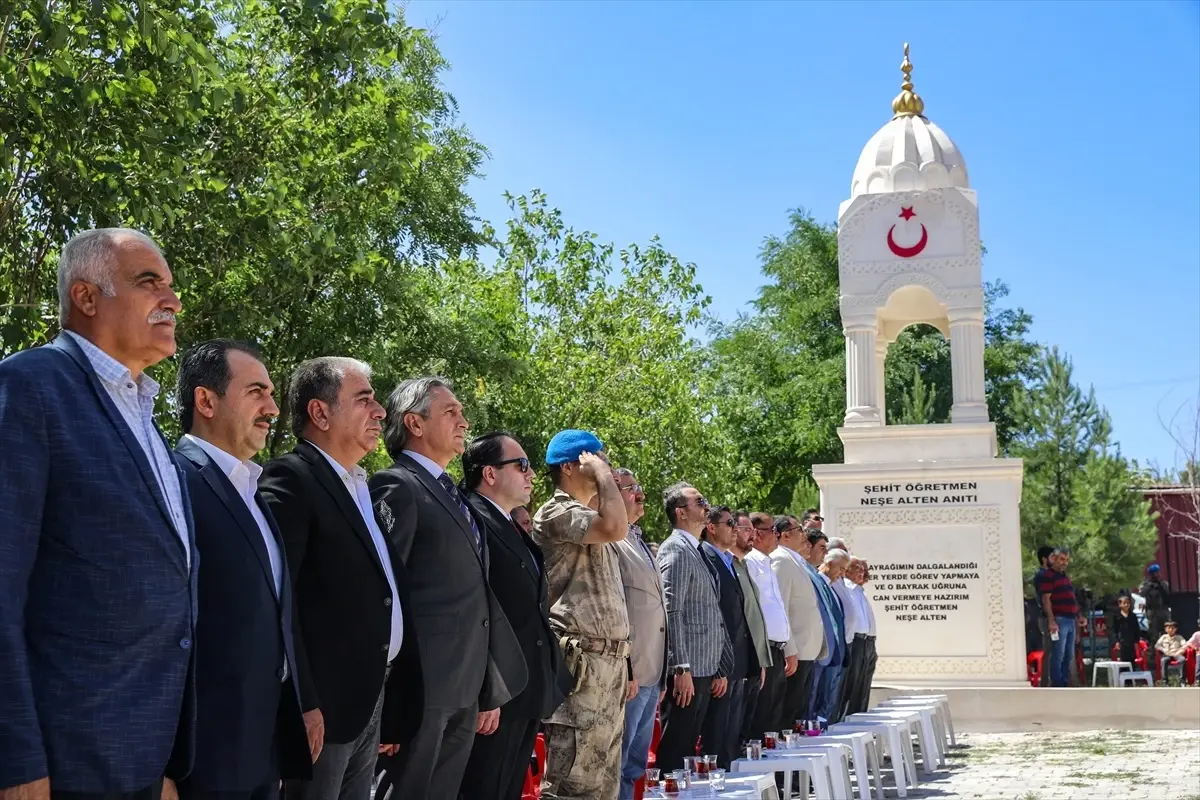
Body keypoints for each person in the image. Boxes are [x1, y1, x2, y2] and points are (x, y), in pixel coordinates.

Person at [0, 228, 195, 800]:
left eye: (171, 285)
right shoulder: (29, 388)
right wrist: (13, 760)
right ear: (86, 297)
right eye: (148, 281)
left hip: (143, 756)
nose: (173, 299)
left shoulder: (145, 417)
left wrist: (168, 760)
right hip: (62, 762)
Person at [259, 358, 423, 800]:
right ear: (320, 412)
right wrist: (303, 701)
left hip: (368, 700)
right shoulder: (291, 478)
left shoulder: (357, 486)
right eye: (364, 399)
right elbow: (279, 597)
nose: (380, 412)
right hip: (322, 712)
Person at [370, 379, 527, 799]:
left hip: (463, 687)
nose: (464, 421)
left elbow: (476, 599)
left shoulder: (453, 495)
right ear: (414, 424)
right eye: (451, 412)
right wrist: (386, 702)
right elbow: (383, 596)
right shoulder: (397, 486)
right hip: (419, 691)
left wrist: (486, 687)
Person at [173, 340, 311, 800]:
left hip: (262, 747)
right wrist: (164, 766)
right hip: (204, 757)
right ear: (206, 400)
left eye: (272, 393)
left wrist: (303, 703)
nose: (273, 407)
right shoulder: (175, 481)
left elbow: (277, 612)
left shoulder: (252, 488)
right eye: (256, 391)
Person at [459, 433, 568, 800]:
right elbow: (476, 609)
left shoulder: (505, 521)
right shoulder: (472, 517)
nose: (531, 473)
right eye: (521, 465)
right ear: (490, 473)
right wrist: (487, 691)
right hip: (498, 693)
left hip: (525, 688)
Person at [531, 430, 630, 800]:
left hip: (610, 661)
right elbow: (615, 527)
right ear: (571, 465)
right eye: (598, 458)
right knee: (573, 785)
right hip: (581, 665)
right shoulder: (557, 511)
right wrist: (604, 475)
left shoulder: (588, 515)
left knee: (604, 784)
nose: (607, 466)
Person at [656, 483, 733, 773]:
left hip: (706, 666)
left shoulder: (697, 549)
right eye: (699, 501)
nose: (706, 505)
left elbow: (711, 611)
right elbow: (672, 610)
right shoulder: (675, 549)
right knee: (676, 750)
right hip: (688, 670)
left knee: (689, 752)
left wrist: (720, 666)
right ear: (681, 512)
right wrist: (681, 667)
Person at [611, 469, 668, 800]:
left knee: (635, 765)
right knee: (618, 763)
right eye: (633, 489)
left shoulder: (638, 541)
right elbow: (618, 606)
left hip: (652, 671)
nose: (641, 495)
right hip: (631, 673)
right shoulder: (613, 541)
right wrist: (628, 668)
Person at [699, 507, 766, 768]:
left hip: (739, 661)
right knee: (716, 737)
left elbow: (745, 616)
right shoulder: (706, 557)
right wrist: (720, 667)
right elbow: (716, 616)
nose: (735, 529)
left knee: (732, 735)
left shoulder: (729, 561)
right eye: (730, 523)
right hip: (722, 664)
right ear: (712, 527)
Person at [769, 517, 824, 731]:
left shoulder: (795, 560)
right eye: (799, 529)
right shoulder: (781, 560)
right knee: (788, 712)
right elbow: (780, 606)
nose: (804, 534)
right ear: (785, 535)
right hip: (795, 651)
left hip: (807, 649)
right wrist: (789, 648)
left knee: (799, 710)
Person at [741, 513, 792, 741]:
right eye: (774, 531)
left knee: (774, 716)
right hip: (764, 650)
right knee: (761, 719)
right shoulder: (751, 562)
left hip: (777, 649)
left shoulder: (767, 563)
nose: (777, 536)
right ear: (759, 534)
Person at [727, 512, 774, 745]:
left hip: (754, 660)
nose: (752, 535)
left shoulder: (743, 565)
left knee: (745, 730)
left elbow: (758, 616)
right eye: (746, 529)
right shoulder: (728, 565)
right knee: (731, 732)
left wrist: (761, 660)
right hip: (736, 663)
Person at [1033, 547, 1080, 687]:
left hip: (1070, 619)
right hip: (1059, 619)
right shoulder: (1047, 576)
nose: (1064, 563)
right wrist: (1052, 621)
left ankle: (1065, 682)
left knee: (1069, 654)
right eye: (1061, 559)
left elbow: (1072, 598)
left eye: (1067, 560)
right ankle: (1057, 684)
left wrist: (1078, 616)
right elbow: (1046, 599)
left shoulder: (1065, 577)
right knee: (1057, 653)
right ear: (1054, 559)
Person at [811, 549, 849, 721]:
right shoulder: (817, 582)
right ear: (830, 563)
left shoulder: (831, 587)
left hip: (835, 655)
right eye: (840, 568)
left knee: (829, 704)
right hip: (822, 655)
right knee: (817, 703)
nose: (842, 574)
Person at [1139, 565, 1172, 643]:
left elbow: (1166, 593)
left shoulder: (1163, 583)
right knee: (1153, 633)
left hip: (1163, 610)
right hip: (1152, 611)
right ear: (1150, 574)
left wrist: (1159, 586)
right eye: (1154, 573)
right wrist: (1150, 586)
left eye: (1157, 572)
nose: (1156, 575)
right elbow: (1141, 593)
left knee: (1167, 631)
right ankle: (1154, 652)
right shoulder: (1146, 584)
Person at [1111, 593, 1142, 667]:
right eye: (1124, 603)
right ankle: (1123, 677)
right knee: (1123, 662)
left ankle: (1132, 677)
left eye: (1128, 603)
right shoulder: (1116, 617)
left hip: (1131, 642)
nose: (1126, 605)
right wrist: (1116, 641)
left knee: (1132, 661)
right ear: (1120, 605)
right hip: (1121, 642)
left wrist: (1136, 641)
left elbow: (1136, 629)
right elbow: (1114, 630)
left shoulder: (1133, 616)